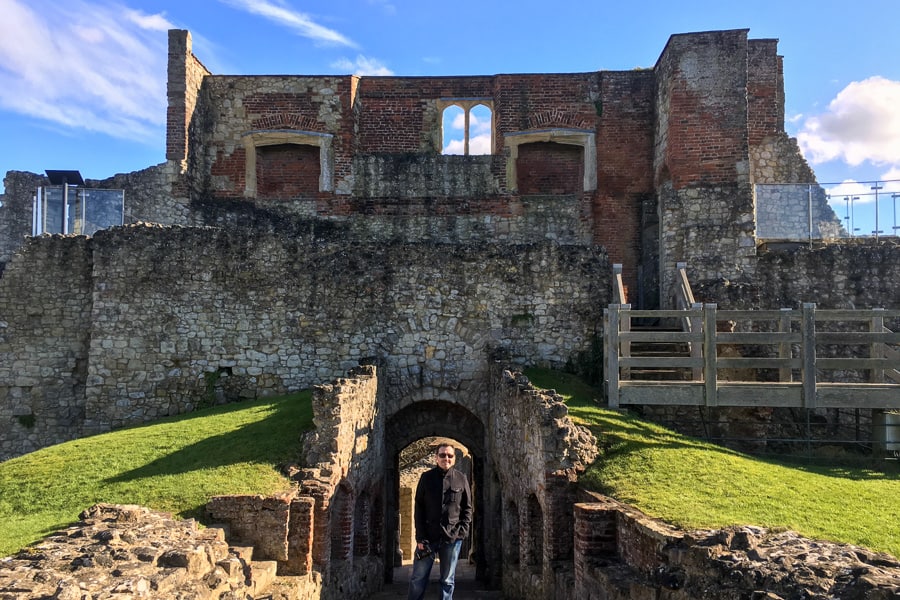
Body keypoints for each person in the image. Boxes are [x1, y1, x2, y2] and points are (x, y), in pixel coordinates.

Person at [407, 442, 473, 600]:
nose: (446, 458)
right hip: (428, 538)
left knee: (447, 580)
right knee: (418, 579)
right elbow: (419, 509)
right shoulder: (426, 478)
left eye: (450, 455)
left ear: (454, 458)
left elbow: (467, 508)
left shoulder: (461, 479)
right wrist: (420, 537)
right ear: (436, 458)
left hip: (451, 539)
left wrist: (461, 533)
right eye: (442, 455)